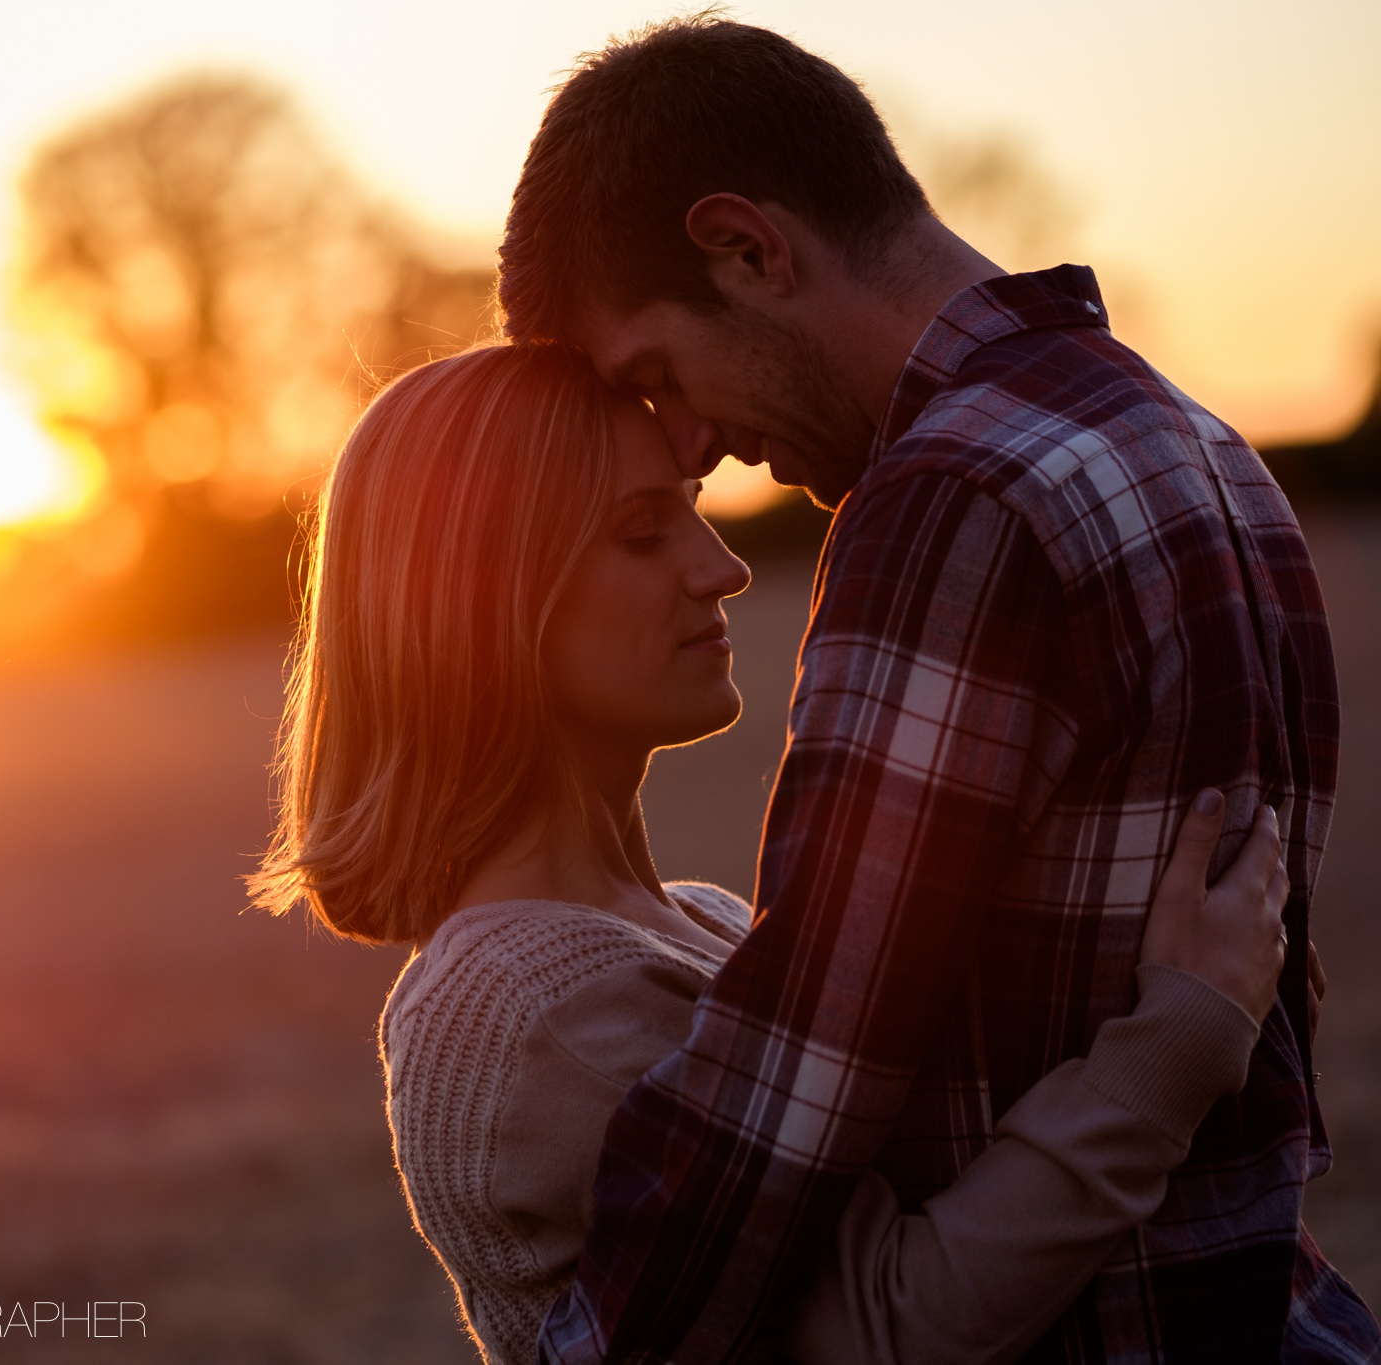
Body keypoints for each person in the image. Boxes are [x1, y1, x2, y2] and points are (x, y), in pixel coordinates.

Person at [493, 14, 1375, 1364]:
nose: (701, 447)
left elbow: (803, 1075)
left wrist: (595, 1344)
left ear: (749, 247)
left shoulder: (957, 495)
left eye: (662, 376)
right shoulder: (1205, 450)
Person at [252, 341, 1289, 1365]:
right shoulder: (521, 1007)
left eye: (690, 513)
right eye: (640, 534)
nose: (721, 566)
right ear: (484, 598)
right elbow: (886, 1329)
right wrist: (1166, 1057)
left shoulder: (694, 919)